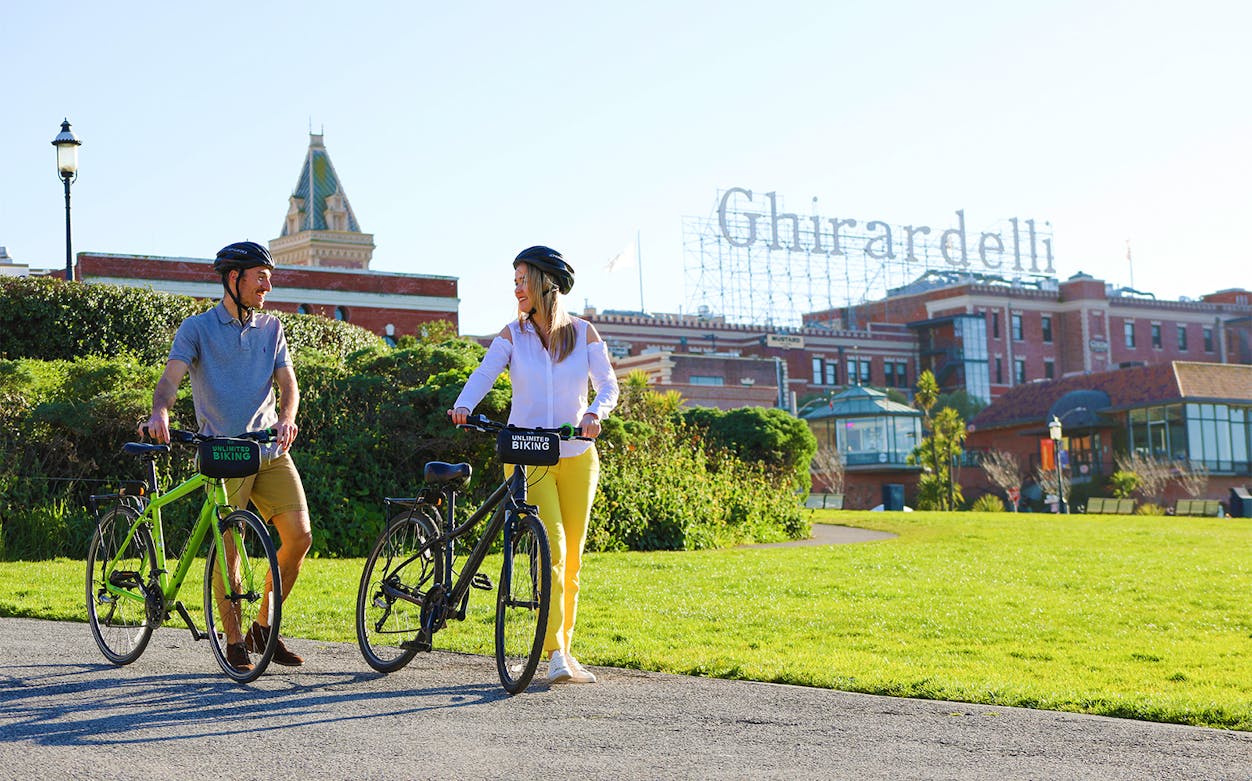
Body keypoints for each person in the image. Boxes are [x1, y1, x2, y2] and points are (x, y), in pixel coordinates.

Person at [450, 245, 619, 684]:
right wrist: (464, 405)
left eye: (522, 279)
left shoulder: (584, 333)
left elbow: (608, 385)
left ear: (546, 283)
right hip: (527, 457)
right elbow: (484, 373)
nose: (516, 288)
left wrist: (594, 414)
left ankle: (564, 647)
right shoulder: (512, 335)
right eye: (515, 280)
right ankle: (555, 652)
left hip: (577, 456)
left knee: (573, 559)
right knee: (554, 550)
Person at [141, 241, 311, 672]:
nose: (268, 285)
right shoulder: (197, 329)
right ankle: (233, 639)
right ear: (233, 279)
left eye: (269, 277)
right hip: (223, 450)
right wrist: (161, 410)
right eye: (260, 276)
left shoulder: (272, 329)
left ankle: (262, 627)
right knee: (230, 544)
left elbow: (288, 386)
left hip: (268, 448)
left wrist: (287, 419)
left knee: (299, 537)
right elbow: (171, 379)